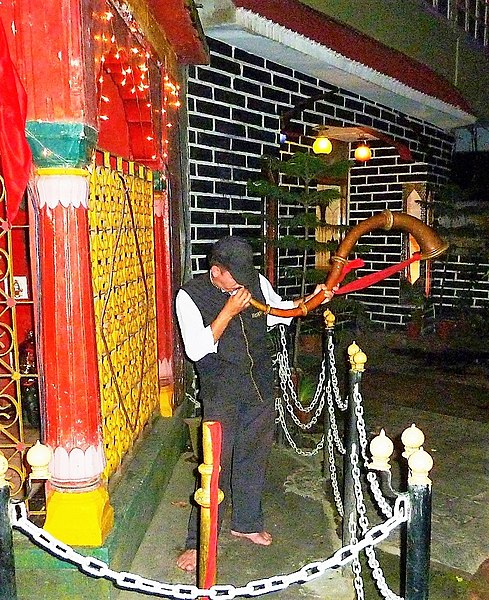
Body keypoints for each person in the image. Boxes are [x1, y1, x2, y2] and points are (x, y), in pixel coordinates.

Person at [175, 236, 333, 572]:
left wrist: (313, 299)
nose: (245, 283)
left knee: (253, 456)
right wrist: (229, 311)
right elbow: (197, 349)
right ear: (216, 272)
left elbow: (280, 313)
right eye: (236, 277)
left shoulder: (254, 281)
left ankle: (245, 523)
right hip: (222, 392)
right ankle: (197, 540)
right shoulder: (189, 296)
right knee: (213, 466)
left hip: (259, 385)